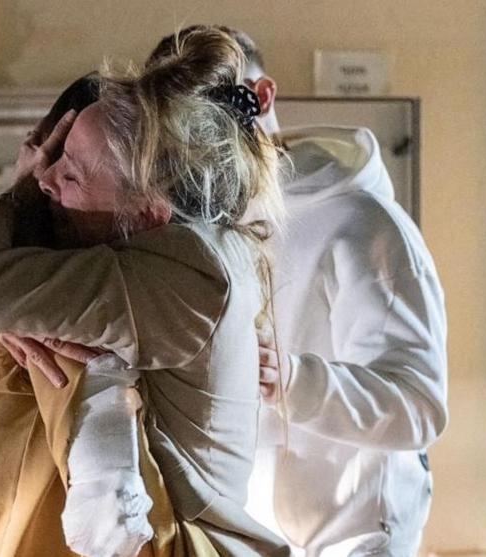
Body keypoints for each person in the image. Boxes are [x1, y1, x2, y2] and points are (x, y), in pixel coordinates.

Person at [0, 28, 289, 557]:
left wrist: (18, 200)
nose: (44, 180)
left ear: (148, 212)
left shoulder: (183, 268)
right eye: (49, 159)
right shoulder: (185, 252)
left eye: (71, 174)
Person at [150, 26, 449, 557]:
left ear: (262, 97)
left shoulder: (366, 227)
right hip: (254, 529)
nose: (199, 159)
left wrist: (291, 378)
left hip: (355, 532)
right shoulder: (206, 224)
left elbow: (420, 407)